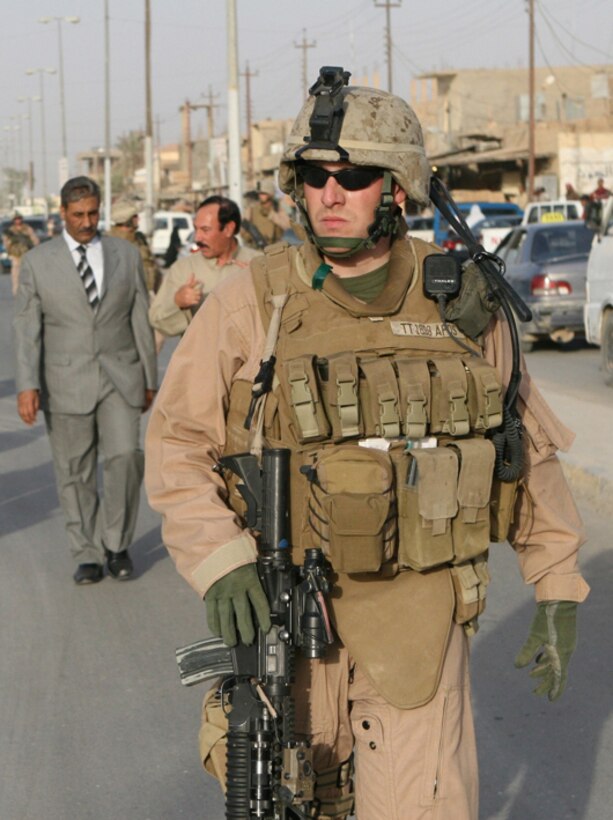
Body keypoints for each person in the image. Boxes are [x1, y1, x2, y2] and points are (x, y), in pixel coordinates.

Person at [145, 70, 589, 819]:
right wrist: (220, 562)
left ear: (398, 188)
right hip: (289, 609)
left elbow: (522, 450)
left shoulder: (461, 301)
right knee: (294, 797)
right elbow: (178, 442)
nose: (330, 193)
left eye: (352, 176)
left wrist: (557, 585)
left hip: (420, 612)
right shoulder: (252, 300)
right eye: (314, 177)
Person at [14, 176, 157, 585]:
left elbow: (139, 318)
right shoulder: (39, 263)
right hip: (64, 381)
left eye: (93, 213)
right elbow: (27, 329)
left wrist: (148, 375)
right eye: (78, 215)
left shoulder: (125, 255)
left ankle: (117, 544)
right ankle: (88, 553)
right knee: (74, 471)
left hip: (120, 375)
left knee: (126, 458)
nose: (87, 222)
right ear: (63, 214)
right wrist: (28, 385)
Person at [148, 195, 261, 339]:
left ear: (228, 229)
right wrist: (178, 303)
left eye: (205, 230)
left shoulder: (259, 263)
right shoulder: (183, 269)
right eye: (196, 229)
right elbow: (156, 319)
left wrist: (259, 287)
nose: (197, 238)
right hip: (202, 359)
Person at [108, 199, 160, 296]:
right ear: (126, 219)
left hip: (146, 294)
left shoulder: (139, 238)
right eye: (135, 217)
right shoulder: (110, 242)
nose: (138, 219)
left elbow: (152, 265)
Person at [241, 177, 290, 248]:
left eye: (263, 193)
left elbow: (287, 226)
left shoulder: (277, 208)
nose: (260, 195)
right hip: (256, 249)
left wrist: (272, 215)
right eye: (259, 193)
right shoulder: (252, 208)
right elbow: (243, 230)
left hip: (274, 248)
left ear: (270, 194)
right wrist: (250, 236)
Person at [3, 212, 39, 296]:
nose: (18, 220)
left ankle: (29, 293)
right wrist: (10, 252)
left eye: (19, 218)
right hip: (16, 256)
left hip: (26, 255)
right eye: (16, 219)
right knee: (15, 276)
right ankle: (16, 293)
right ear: (13, 220)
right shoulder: (10, 231)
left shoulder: (27, 229)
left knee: (28, 276)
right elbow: (6, 243)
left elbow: (35, 240)